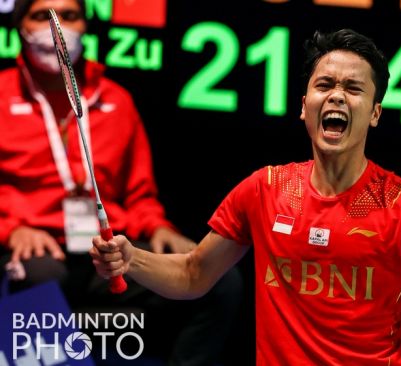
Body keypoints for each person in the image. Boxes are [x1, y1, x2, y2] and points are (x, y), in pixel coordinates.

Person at [91, 28, 401, 365]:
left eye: (354, 89)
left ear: (375, 113)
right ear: (304, 106)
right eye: (325, 84)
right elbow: (193, 275)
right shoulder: (265, 189)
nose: (338, 95)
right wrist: (132, 259)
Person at [0, 0, 243, 364]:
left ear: (85, 25)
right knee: (38, 276)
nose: (56, 25)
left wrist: (158, 226)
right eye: (41, 15)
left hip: (107, 249)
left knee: (219, 280)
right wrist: (11, 228)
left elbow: (139, 193)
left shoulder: (116, 99)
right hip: (37, 249)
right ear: (20, 27)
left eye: (69, 15)